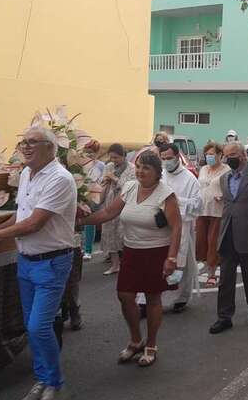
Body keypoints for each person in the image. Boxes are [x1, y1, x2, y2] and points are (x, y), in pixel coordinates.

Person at [0, 127, 76, 400]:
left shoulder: (60, 179)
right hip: (27, 261)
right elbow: (21, 212)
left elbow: (34, 223)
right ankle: (43, 380)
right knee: (31, 326)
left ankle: (55, 387)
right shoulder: (26, 174)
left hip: (51, 262)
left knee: (38, 326)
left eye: (33, 142)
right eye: (24, 142)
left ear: (51, 147)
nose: (26, 146)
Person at [77, 152, 182, 367]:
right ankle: (136, 340)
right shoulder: (130, 187)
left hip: (156, 251)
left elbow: (177, 227)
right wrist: (80, 221)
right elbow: (108, 212)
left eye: (147, 168)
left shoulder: (166, 194)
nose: (141, 171)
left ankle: (151, 344)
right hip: (132, 251)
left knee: (153, 299)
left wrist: (171, 258)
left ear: (157, 172)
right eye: (139, 166)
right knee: (124, 295)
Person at [209, 142, 248, 335]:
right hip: (228, 232)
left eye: (234, 155)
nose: (230, 159)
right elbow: (229, 204)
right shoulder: (224, 178)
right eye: (227, 156)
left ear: (244, 155)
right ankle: (224, 317)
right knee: (225, 277)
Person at [154, 144, 201, 313]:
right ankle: (149, 299)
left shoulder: (190, 179)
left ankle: (181, 298)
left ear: (177, 157)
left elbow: (197, 205)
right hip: (159, 227)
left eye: (169, 158)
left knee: (184, 263)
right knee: (156, 261)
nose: (166, 162)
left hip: (182, 226)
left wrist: (175, 203)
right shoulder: (159, 176)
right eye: (163, 158)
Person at [197, 142, 230, 288]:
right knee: (201, 242)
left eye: (212, 154)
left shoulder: (227, 170)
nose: (209, 157)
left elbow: (231, 188)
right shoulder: (203, 169)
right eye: (207, 154)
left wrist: (223, 196)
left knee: (212, 242)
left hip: (217, 211)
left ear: (220, 155)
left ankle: (212, 273)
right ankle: (208, 265)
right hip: (202, 210)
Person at [100, 144, 136, 275]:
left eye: (116, 157)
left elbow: (130, 187)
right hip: (110, 201)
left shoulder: (132, 169)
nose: (113, 160)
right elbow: (103, 183)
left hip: (125, 203)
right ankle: (115, 265)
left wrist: (114, 178)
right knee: (109, 233)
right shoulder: (108, 167)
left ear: (123, 156)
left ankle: (128, 264)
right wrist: (105, 181)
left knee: (124, 234)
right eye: (111, 157)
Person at [82, 140, 105, 261]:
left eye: (91, 152)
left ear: (97, 153)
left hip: (93, 196)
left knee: (89, 223)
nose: (89, 155)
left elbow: (101, 181)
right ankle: (81, 247)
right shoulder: (81, 163)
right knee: (79, 223)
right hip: (81, 195)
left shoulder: (101, 165)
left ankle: (88, 250)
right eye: (87, 152)